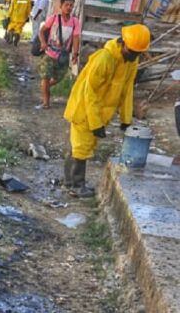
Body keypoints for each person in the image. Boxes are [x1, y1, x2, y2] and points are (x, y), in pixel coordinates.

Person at [63, 23, 150, 197]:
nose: (134, 56)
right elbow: (90, 93)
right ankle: (75, 185)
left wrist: (126, 120)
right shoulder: (104, 59)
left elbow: (127, 91)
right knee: (81, 147)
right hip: (84, 108)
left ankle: (70, 181)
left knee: (85, 146)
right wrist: (95, 123)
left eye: (138, 53)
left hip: (100, 112)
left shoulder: (130, 62)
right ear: (123, 42)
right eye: (132, 52)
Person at [37, 0, 81, 109]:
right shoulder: (54, 18)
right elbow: (42, 31)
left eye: (71, 5)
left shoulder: (75, 22)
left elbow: (76, 38)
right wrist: (43, 42)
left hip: (63, 56)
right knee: (45, 77)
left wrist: (75, 54)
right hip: (49, 54)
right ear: (61, 6)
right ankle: (46, 103)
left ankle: (44, 87)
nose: (69, 7)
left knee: (59, 78)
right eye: (66, 5)